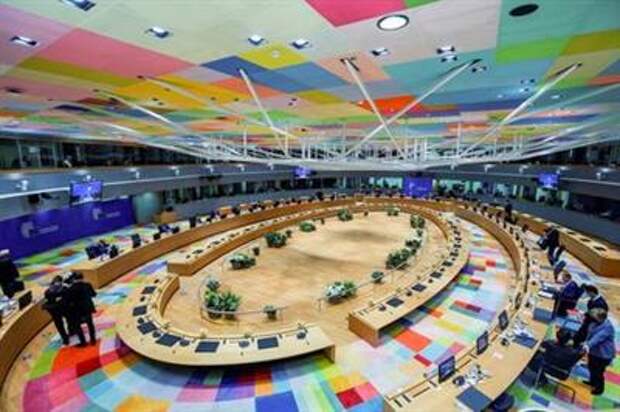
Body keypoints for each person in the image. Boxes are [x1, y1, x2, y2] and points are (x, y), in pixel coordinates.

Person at [584, 309, 615, 395]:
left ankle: (599, 389)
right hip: (594, 351)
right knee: (591, 367)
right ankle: (592, 381)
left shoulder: (608, 327)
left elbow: (598, 337)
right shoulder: (594, 323)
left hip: (603, 354)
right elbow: (590, 334)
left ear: (600, 318)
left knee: (598, 372)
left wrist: (588, 345)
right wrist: (586, 342)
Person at [66, 272, 97, 346]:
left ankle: (83, 342)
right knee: (90, 324)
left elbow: (69, 300)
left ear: (74, 279)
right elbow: (94, 294)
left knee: (78, 326)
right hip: (88, 308)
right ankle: (93, 340)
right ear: (82, 277)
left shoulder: (71, 288)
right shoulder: (87, 285)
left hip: (77, 310)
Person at [42, 276, 70, 345]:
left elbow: (47, 300)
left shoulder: (47, 292)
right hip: (63, 308)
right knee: (68, 319)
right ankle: (70, 332)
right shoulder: (64, 289)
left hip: (53, 310)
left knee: (59, 324)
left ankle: (65, 338)